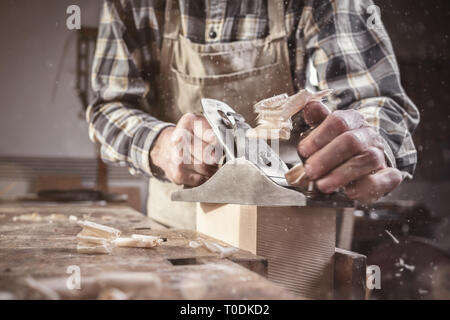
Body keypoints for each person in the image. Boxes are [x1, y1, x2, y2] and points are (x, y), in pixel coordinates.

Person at [87, 0, 419, 229]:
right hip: (179, 227)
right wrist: (161, 144)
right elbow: (108, 105)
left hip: (299, 232)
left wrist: (370, 143)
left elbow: (375, 98)